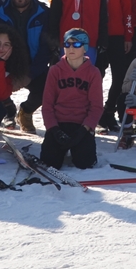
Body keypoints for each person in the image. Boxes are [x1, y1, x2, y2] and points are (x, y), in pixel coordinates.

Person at [0, 0, 52, 132]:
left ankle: (26, 111)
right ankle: (6, 111)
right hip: (2, 64)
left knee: (50, 85)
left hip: (31, 64)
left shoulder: (44, 14)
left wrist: (30, 74)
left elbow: (47, 48)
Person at [38, 28, 103, 169]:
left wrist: (85, 130)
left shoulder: (93, 73)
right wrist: (53, 129)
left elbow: (96, 106)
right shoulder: (55, 70)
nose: (71, 48)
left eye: (76, 44)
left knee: (85, 163)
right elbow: (47, 104)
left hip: (81, 125)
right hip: (59, 123)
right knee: (49, 163)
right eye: (67, 44)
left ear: (85, 48)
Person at [92, 0, 134, 130]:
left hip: (116, 34)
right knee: (96, 76)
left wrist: (128, 35)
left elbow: (127, 9)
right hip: (95, 35)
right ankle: (94, 112)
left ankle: (109, 111)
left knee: (120, 77)